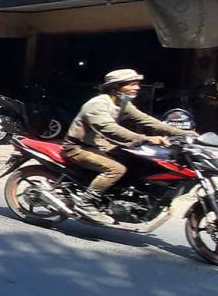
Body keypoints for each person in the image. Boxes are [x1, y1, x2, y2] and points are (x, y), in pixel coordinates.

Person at [63, 69, 193, 225]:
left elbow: (146, 120)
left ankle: (117, 197)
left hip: (100, 145)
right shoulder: (97, 105)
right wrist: (145, 139)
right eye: (132, 84)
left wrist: (184, 133)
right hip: (78, 148)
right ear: (115, 88)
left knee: (140, 162)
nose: (137, 88)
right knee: (116, 169)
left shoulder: (122, 103)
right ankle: (85, 203)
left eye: (137, 84)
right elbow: (110, 129)